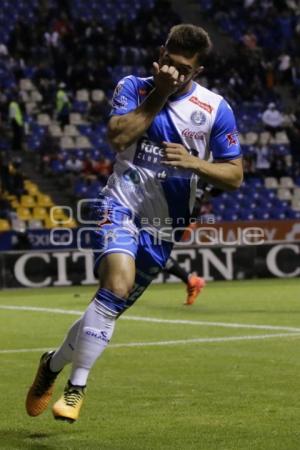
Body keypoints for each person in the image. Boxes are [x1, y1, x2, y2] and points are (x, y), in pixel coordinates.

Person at [26, 24, 243, 422]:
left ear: (198, 72)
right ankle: (76, 390)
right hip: (120, 206)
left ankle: (51, 366)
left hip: (165, 227)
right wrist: (160, 92)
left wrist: (195, 162)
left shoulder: (215, 109)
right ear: (160, 54)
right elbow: (117, 137)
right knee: (117, 286)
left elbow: (235, 175)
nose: (174, 73)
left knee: (107, 308)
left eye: (184, 70)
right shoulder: (134, 86)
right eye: (169, 63)